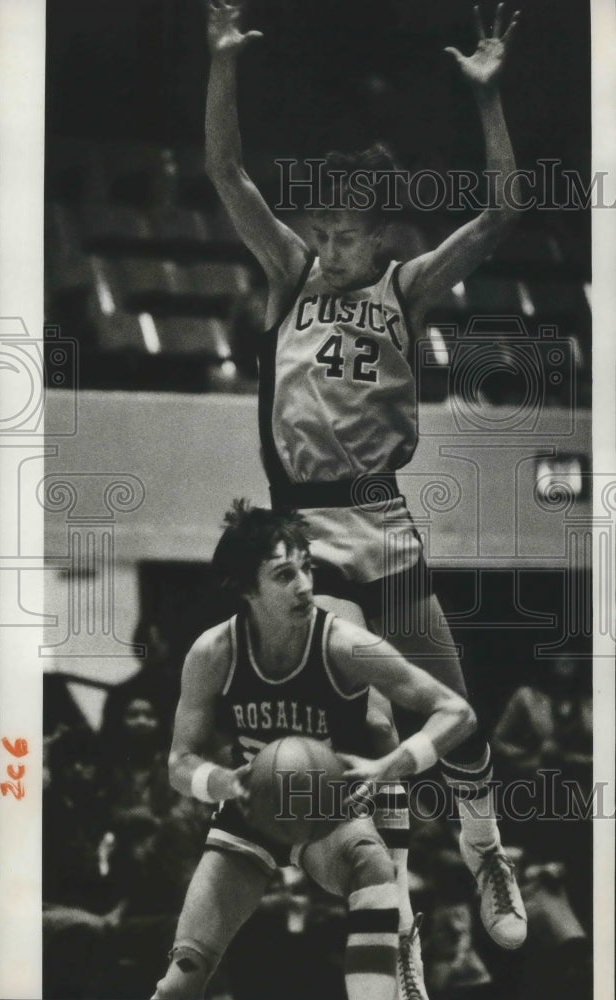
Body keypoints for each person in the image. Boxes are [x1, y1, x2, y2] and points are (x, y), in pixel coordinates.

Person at [204, 0, 527, 950]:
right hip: (304, 529)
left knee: (450, 714)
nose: (331, 245)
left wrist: (490, 99)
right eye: (324, 230)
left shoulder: (404, 286)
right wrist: (222, 64)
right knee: (370, 710)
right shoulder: (287, 275)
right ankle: (398, 919)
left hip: (382, 519)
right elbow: (224, 170)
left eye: (347, 234)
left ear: (381, 237)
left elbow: (505, 210)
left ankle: (485, 852)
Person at [152, 501, 476, 999]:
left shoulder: (345, 643)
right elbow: (179, 762)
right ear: (245, 588)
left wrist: (390, 765)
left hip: (329, 811)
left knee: (373, 863)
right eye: (284, 574)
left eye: (307, 568)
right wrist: (222, 781)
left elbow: (457, 712)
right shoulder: (213, 652)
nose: (304, 585)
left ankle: (400, 946)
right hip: (250, 810)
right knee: (181, 981)